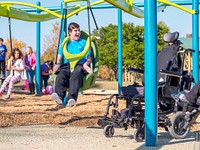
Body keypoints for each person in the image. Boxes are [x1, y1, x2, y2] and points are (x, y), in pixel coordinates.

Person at [52, 22, 92, 107]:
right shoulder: (66, 42)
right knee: (61, 74)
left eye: (79, 30)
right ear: (70, 32)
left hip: (79, 64)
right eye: (76, 31)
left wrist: (86, 64)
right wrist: (58, 64)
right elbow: (59, 55)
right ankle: (59, 97)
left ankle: (71, 98)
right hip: (67, 65)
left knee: (76, 74)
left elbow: (89, 57)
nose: (78, 33)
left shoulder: (83, 42)